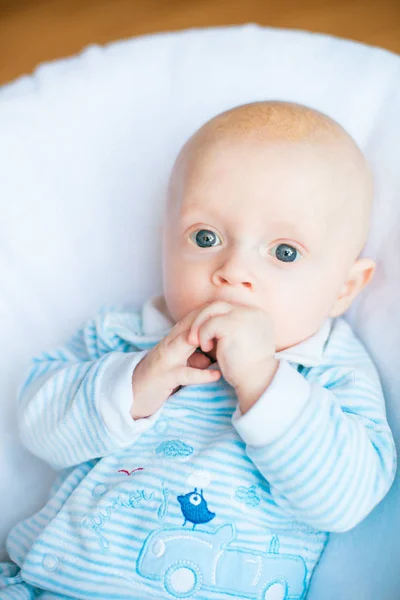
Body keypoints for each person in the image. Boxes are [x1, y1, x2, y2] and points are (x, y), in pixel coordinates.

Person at [0, 101, 396, 600]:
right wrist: (137, 381)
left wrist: (263, 381)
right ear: (167, 243)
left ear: (344, 287)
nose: (232, 269)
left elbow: (345, 499)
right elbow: (39, 425)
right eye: (205, 237)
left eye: (284, 252)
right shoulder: (124, 338)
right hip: (45, 585)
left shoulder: (330, 373)